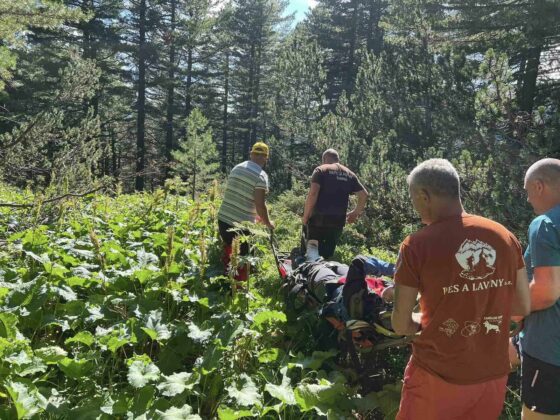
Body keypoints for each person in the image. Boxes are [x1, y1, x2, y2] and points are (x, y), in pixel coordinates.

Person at [391, 159, 531, 420]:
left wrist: (420, 321)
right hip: (491, 375)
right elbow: (522, 306)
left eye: (413, 198)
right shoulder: (504, 236)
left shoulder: (415, 246)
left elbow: (400, 325)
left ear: (424, 196)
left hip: (437, 374)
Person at [519, 158, 560, 419]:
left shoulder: (545, 224)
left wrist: (512, 312)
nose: (528, 200)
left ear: (539, 186)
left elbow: (546, 292)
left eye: (527, 192)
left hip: (549, 355)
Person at [217, 142, 274, 281]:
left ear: (251, 154)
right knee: (244, 260)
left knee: (229, 252)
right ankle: (238, 289)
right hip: (241, 226)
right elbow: (260, 205)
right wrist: (268, 223)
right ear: (266, 158)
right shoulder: (261, 176)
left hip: (223, 219)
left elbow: (238, 194)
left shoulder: (237, 168)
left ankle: (224, 282)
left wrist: (256, 216)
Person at [302, 149, 368, 260]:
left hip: (318, 219)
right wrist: (355, 213)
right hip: (337, 221)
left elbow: (313, 193)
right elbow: (364, 195)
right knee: (327, 254)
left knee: (312, 252)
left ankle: (309, 273)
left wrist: (306, 216)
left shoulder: (321, 170)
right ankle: (324, 274)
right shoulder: (349, 174)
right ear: (338, 159)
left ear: (324, 159)